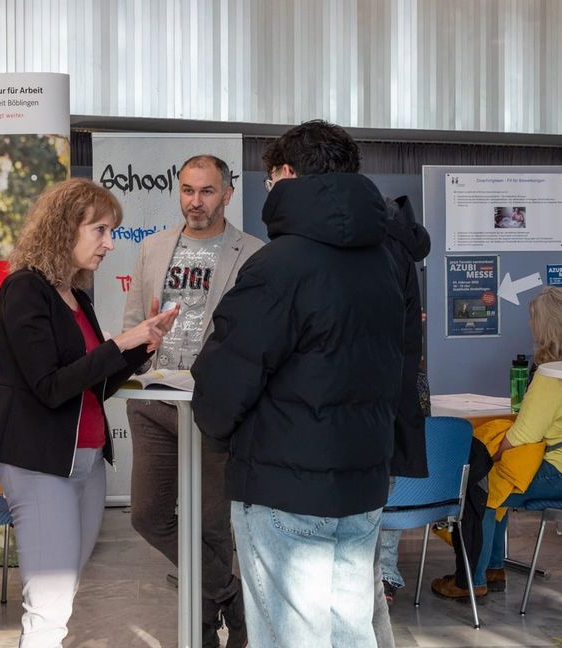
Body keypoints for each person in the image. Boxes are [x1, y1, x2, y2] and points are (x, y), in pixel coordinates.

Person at [192, 120, 405, 648]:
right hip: (363, 480)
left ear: (286, 174)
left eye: (269, 179)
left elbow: (224, 382)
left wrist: (220, 433)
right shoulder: (385, 260)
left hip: (284, 485)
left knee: (292, 638)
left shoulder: (279, 265)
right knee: (351, 630)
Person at [0, 178, 178, 647]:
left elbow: (95, 383)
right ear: (64, 227)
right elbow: (50, 387)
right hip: (38, 462)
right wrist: (121, 342)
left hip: (86, 461)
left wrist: (140, 348)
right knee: (48, 604)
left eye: (112, 231)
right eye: (100, 230)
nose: (110, 244)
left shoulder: (76, 295)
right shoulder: (24, 290)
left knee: (62, 592)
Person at [121, 153, 262, 647]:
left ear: (227, 193)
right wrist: (140, 355)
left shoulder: (253, 254)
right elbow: (134, 319)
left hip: (211, 407)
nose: (194, 202)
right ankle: (231, 595)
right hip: (153, 400)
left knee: (211, 525)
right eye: (186, 190)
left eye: (205, 191)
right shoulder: (154, 248)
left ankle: (204, 632)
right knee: (148, 516)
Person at [450, 287, 562, 599]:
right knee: (501, 482)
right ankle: (492, 567)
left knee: (482, 485)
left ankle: (471, 581)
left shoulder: (552, 375)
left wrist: (490, 455)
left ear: (545, 328)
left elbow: (521, 437)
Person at [373, 194, 431, 624]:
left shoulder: (374, 248)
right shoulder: (404, 251)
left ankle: (376, 577)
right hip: (401, 387)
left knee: (372, 492)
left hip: (371, 390)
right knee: (387, 484)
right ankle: (386, 574)